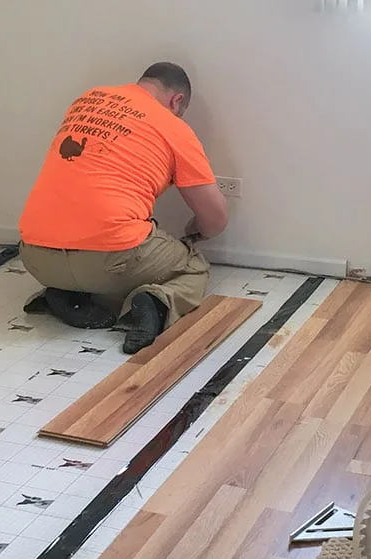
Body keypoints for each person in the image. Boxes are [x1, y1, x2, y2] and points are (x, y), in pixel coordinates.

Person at [19, 63, 228, 353]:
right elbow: (216, 220)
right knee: (193, 267)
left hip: (33, 254)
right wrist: (196, 229)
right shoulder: (174, 128)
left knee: (105, 262)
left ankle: (64, 294)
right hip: (109, 258)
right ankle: (154, 304)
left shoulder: (88, 100)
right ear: (177, 101)